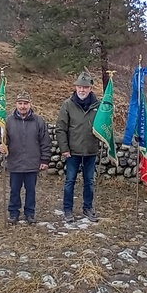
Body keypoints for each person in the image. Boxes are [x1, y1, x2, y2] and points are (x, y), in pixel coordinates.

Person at [0, 92, 51, 225]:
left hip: (32, 163)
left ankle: (30, 214)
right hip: (15, 162)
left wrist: (45, 160)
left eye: (25, 103)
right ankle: (13, 213)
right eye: (20, 103)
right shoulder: (8, 121)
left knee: (31, 190)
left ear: (30, 104)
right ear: (16, 104)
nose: (23, 106)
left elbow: (45, 141)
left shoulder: (38, 121)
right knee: (14, 190)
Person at [56, 72, 100, 223]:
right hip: (73, 152)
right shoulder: (67, 105)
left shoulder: (98, 106)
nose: (82, 90)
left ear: (90, 89)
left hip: (91, 150)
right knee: (70, 181)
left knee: (89, 182)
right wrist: (64, 148)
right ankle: (68, 209)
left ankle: (88, 208)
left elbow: (103, 126)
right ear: (75, 88)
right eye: (80, 87)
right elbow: (61, 128)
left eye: (85, 87)